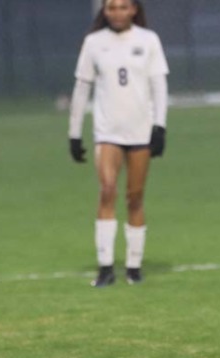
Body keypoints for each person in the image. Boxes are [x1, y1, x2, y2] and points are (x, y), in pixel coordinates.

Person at [68, 0, 169, 286]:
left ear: (134, 9)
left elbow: (159, 86)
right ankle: (106, 267)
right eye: (111, 7)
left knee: (135, 197)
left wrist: (160, 126)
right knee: (107, 191)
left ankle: (134, 267)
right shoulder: (94, 42)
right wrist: (74, 133)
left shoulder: (148, 40)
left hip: (140, 132)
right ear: (104, 11)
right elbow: (82, 88)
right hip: (107, 132)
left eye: (123, 7)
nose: (117, 12)